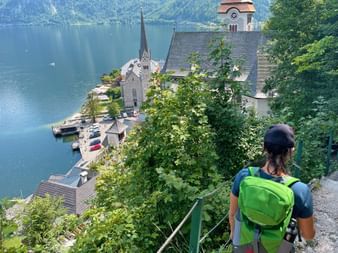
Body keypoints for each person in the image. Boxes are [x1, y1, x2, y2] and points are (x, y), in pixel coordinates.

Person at [229, 124, 315, 249]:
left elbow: (232, 214)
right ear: (291, 151)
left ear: (263, 147)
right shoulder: (299, 190)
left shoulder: (244, 176)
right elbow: (308, 235)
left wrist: (235, 239)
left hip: (245, 248)